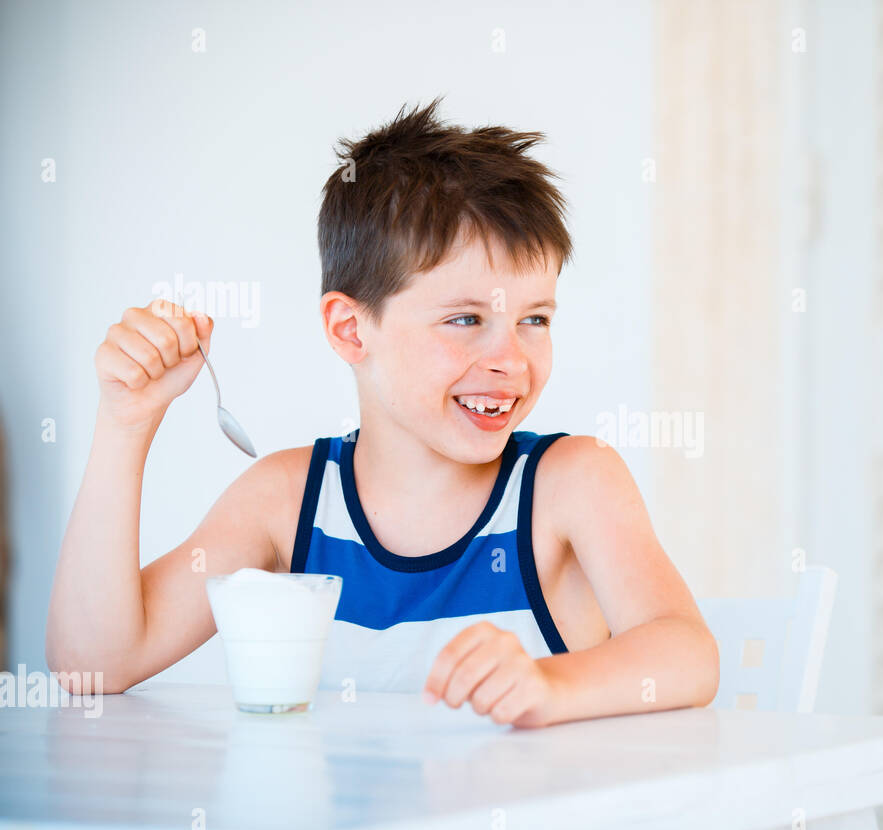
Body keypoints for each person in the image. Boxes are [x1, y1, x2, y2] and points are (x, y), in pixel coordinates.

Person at [46, 98, 719, 727]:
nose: (511, 360)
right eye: (465, 318)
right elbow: (92, 664)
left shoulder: (570, 484)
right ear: (349, 329)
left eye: (534, 318)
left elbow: (686, 652)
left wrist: (554, 684)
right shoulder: (285, 503)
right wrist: (125, 424)